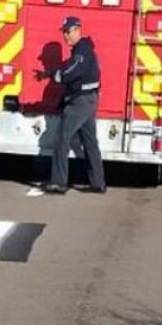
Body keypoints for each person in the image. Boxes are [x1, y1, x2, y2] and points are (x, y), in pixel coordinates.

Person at [35, 16, 106, 194]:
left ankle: (58, 182)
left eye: (68, 31)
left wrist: (55, 76)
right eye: (64, 32)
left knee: (61, 138)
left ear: (77, 30)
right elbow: (69, 68)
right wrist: (49, 73)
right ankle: (98, 183)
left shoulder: (82, 51)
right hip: (86, 101)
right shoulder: (80, 51)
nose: (65, 36)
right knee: (89, 141)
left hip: (80, 102)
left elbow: (70, 72)